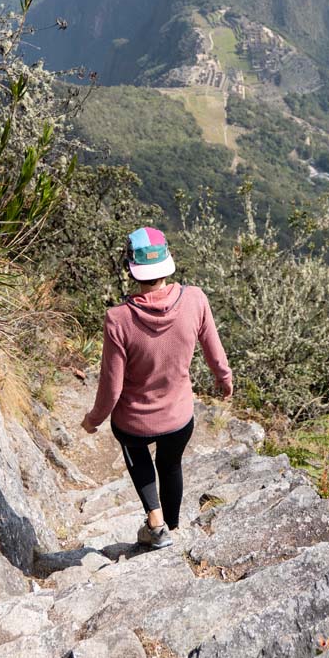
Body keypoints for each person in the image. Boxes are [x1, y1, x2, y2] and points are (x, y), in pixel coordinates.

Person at [81, 226, 233, 549]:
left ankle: (155, 521)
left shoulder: (118, 319)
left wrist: (93, 419)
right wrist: (225, 380)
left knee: (135, 450)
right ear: (167, 261)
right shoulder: (195, 300)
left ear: (131, 269)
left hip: (134, 423)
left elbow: (111, 388)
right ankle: (173, 529)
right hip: (179, 418)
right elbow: (214, 350)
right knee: (170, 463)